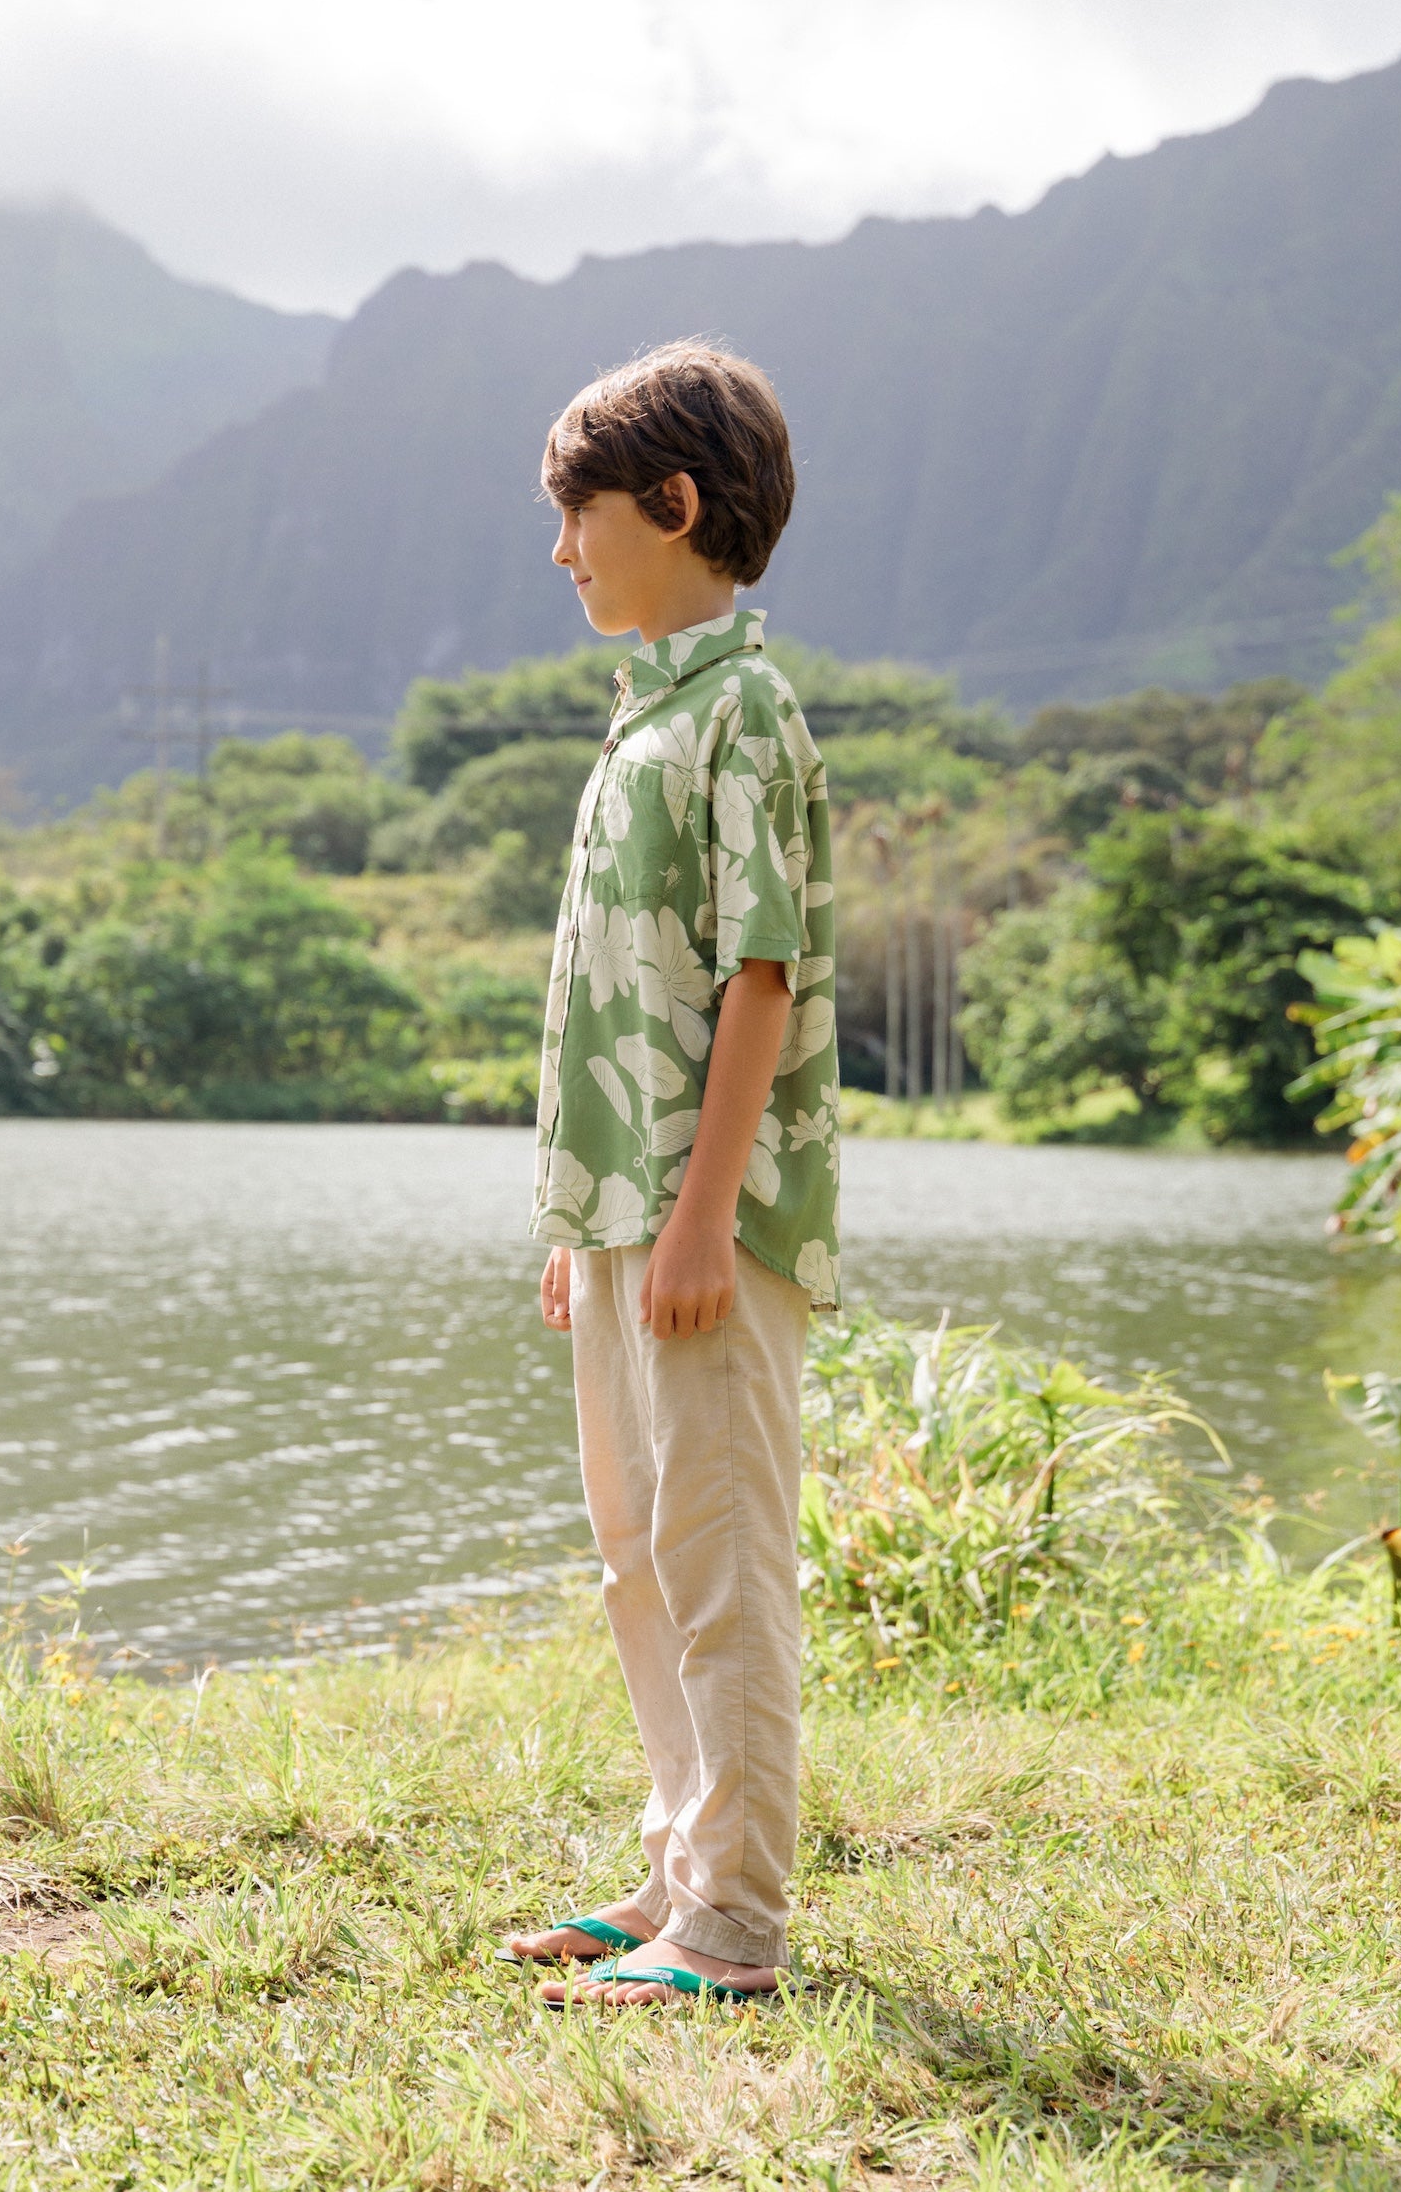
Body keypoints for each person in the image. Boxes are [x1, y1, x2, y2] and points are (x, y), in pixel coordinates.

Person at [504, 340, 841, 2007]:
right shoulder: (650, 717)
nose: (562, 553)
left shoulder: (746, 715)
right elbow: (606, 1002)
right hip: (625, 1220)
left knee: (719, 1556)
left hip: (712, 1221)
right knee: (636, 1545)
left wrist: (703, 1212)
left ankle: (740, 1923)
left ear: (673, 504)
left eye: (579, 518)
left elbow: (757, 982)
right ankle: (676, 1869)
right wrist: (583, 1219)